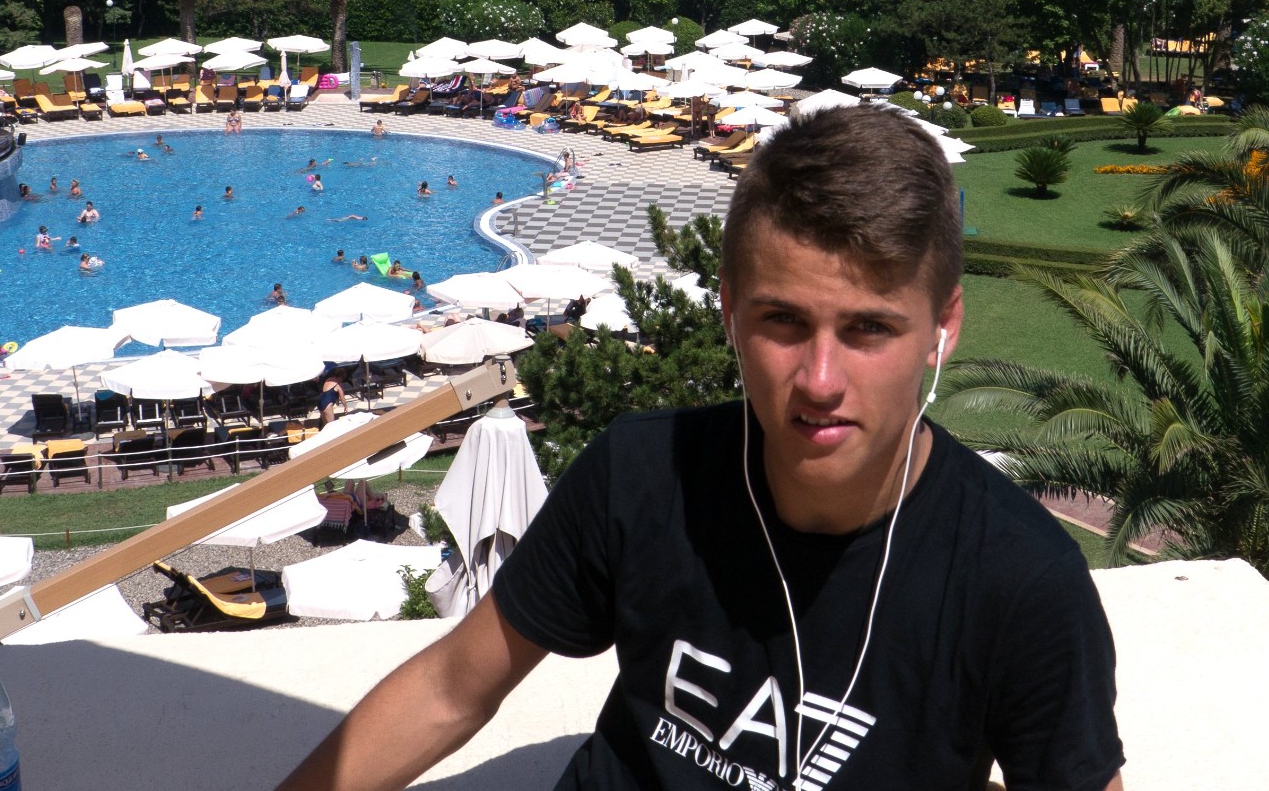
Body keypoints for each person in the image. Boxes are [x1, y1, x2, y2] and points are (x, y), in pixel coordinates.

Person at [276, 105, 1124, 791]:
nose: (820, 380)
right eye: (783, 321)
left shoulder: (1018, 581)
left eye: (870, 329)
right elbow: (452, 687)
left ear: (943, 327)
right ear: (729, 311)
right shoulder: (644, 474)